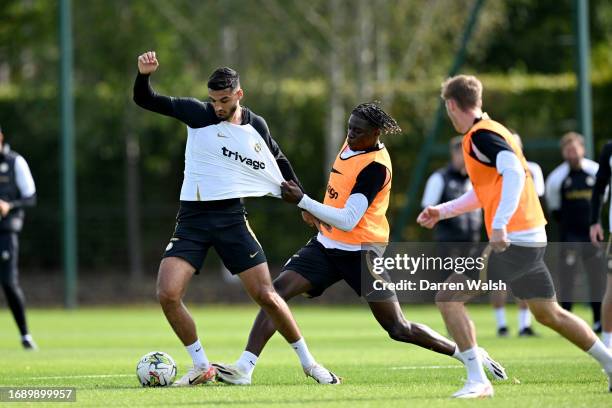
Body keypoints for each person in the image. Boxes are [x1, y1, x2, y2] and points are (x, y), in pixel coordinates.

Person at [213, 102, 507, 387]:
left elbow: (349, 220)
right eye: (349, 128)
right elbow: (337, 194)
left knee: (398, 328)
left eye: (358, 131)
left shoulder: (376, 168)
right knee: (276, 293)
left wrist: (304, 201)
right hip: (327, 245)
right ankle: (245, 368)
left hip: (363, 252)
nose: (351, 134)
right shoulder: (353, 142)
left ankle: (470, 355)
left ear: (375, 134)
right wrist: (312, 210)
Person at [133, 51, 337, 386]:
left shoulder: (255, 125)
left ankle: (309, 363)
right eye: (213, 99)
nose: (217, 106)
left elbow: (279, 161)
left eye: (224, 100)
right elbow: (146, 100)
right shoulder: (197, 113)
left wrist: (303, 203)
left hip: (231, 218)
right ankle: (201, 366)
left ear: (239, 95)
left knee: (268, 295)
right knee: (167, 293)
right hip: (193, 219)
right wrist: (144, 76)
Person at [418, 75, 612, 397]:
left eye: (447, 108)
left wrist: (500, 224)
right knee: (549, 314)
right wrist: (443, 210)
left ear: (452, 105)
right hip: (531, 235)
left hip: (516, 237)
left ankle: (478, 381)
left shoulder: (480, 135)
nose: (448, 114)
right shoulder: (491, 131)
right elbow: (484, 192)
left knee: (448, 298)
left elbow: (513, 172)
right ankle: (610, 364)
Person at [545, 132, 605, 333]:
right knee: (567, 278)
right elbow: (554, 208)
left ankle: (598, 320)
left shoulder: (595, 171)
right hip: (569, 236)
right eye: (567, 149)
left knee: (597, 278)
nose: (572, 153)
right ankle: (565, 321)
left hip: (592, 237)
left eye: (575, 148)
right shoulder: (557, 177)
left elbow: (603, 199)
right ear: (563, 152)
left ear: (583, 149)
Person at [490, 131, 542, 337]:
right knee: (499, 280)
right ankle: (502, 324)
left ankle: (524, 325)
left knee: (524, 280)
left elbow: (534, 197)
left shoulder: (532, 169)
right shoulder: (495, 168)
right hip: (500, 229)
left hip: (524, 231)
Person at [0, 125, 37, 350]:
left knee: (8, 283)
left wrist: (8, 205)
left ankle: (25, 335)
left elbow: (30, 197)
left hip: (6, 231)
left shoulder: (15, 162)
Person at [421, 136, 481, 243]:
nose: (464, 157)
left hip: (473, 242)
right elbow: (427, 209)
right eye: (460, 153)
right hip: (448, 244)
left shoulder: (474, 179)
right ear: (454, 154)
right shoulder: (439, 177)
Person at [589, 140, 612, 348]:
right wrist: (595, 221)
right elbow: (599, 187)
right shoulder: (609, 149)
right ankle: (608, 346)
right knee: (611, 290)